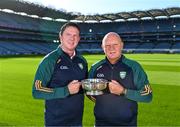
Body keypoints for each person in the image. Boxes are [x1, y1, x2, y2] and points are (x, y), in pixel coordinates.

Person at [88, 32, 152, 126]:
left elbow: (148, 96)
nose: (111, 48)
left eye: (115, 44)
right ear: (102, 47)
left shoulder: (134, 67)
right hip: (100, 124)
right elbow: (89, 92)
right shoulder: (95, 68)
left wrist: (123, 91)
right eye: (107, 45)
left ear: (122, 45)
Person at [32, 22, 88, 126]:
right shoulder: (49, 60)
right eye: (68, 34)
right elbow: (37, 91)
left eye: (75, 35)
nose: (72, 38)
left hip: (77, 122)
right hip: (56, 123)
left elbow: (84, 86)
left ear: (79, 39)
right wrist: (66, 90)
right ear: (61, 37)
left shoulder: (82, 61)